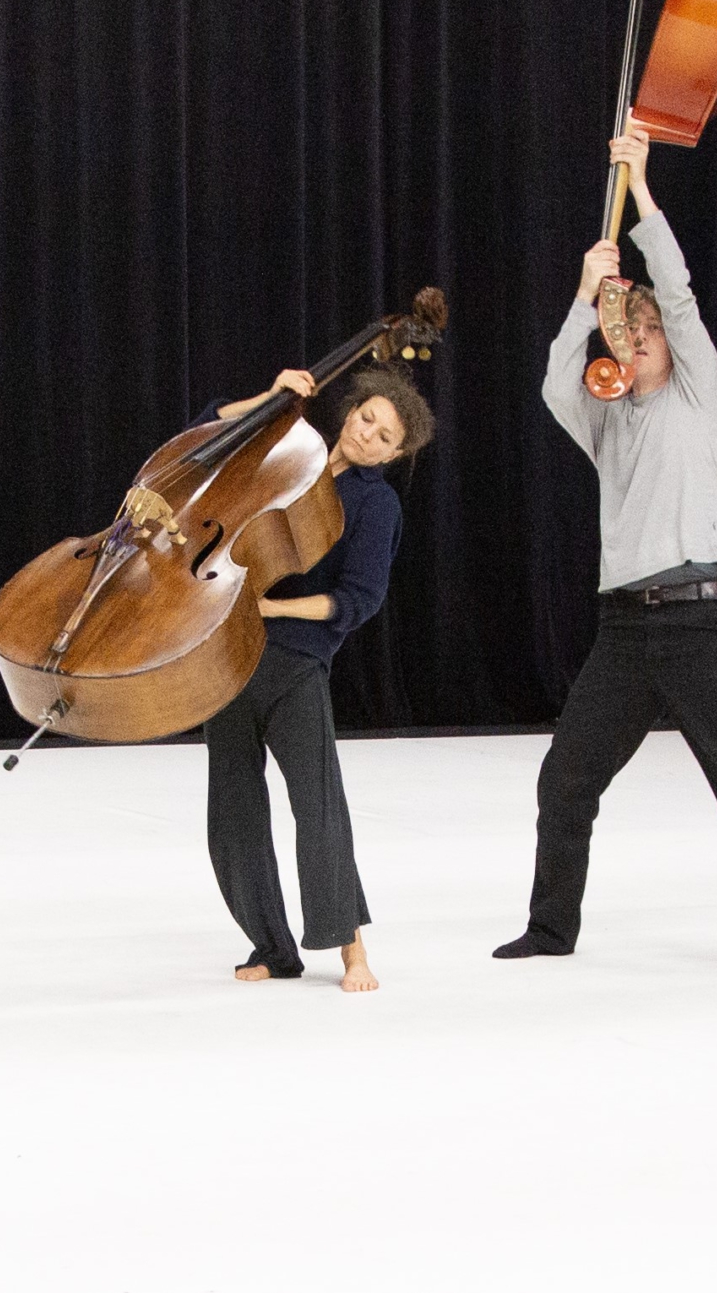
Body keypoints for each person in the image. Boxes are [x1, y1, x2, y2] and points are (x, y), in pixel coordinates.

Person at [491, 122, 717, 982]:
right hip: (626, 633)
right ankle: (551, 927)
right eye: (623, 340)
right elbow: (552, 382)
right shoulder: (607, 421)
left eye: (646, 337)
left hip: (708, 626)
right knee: (566, 780)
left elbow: (675, 290)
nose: (634, 347)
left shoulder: (699, 394)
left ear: (668, 345)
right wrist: (583, 294)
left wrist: (637, 186)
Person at [201, 365, 434, 993]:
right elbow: (205, 434)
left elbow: (357, 600)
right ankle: (272, 947)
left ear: (397, 452)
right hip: (225, 655)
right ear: (350, 412)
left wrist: (273, 608)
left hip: (295, 660)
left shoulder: (375, 503)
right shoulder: (289, 456)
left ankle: (353, 950)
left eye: (385, 437)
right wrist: (271, 396)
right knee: (233, 811)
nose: (369, 437)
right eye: (367, 418)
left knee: (318, 804)